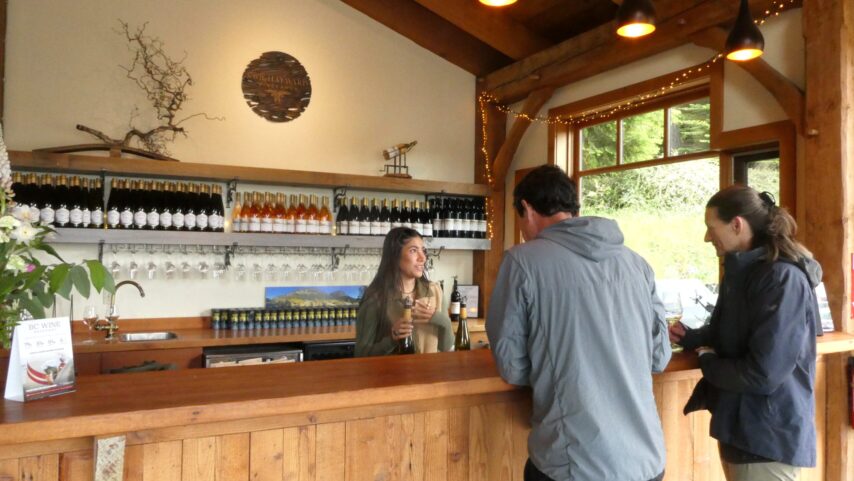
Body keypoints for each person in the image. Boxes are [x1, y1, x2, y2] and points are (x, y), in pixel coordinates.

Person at [487, 164, 671, 481]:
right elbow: (660, 357)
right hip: (646, 460)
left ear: (527, 209)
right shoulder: (636, 263)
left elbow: (512, 367)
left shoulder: (522, 261)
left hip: (574, 463)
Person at [670, 185, 821, 481]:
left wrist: (708, 360)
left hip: (767, 435)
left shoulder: (781, 278)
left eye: (711, 227)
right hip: (742, 430)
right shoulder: (743, 272)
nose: (706, 237)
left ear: (737, 225)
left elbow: (764, 373)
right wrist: (694, 338)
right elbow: (736, 332)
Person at [355, 227, 453, 356]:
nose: (423, 258)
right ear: (395, 256)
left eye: (423, 250)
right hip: (393, 370)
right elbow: (361, 354)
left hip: (430, 369)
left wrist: (441, 320)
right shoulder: (375, 298)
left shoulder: (435, 291)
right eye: (413, 250)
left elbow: (446, 347)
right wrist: (392, 339)